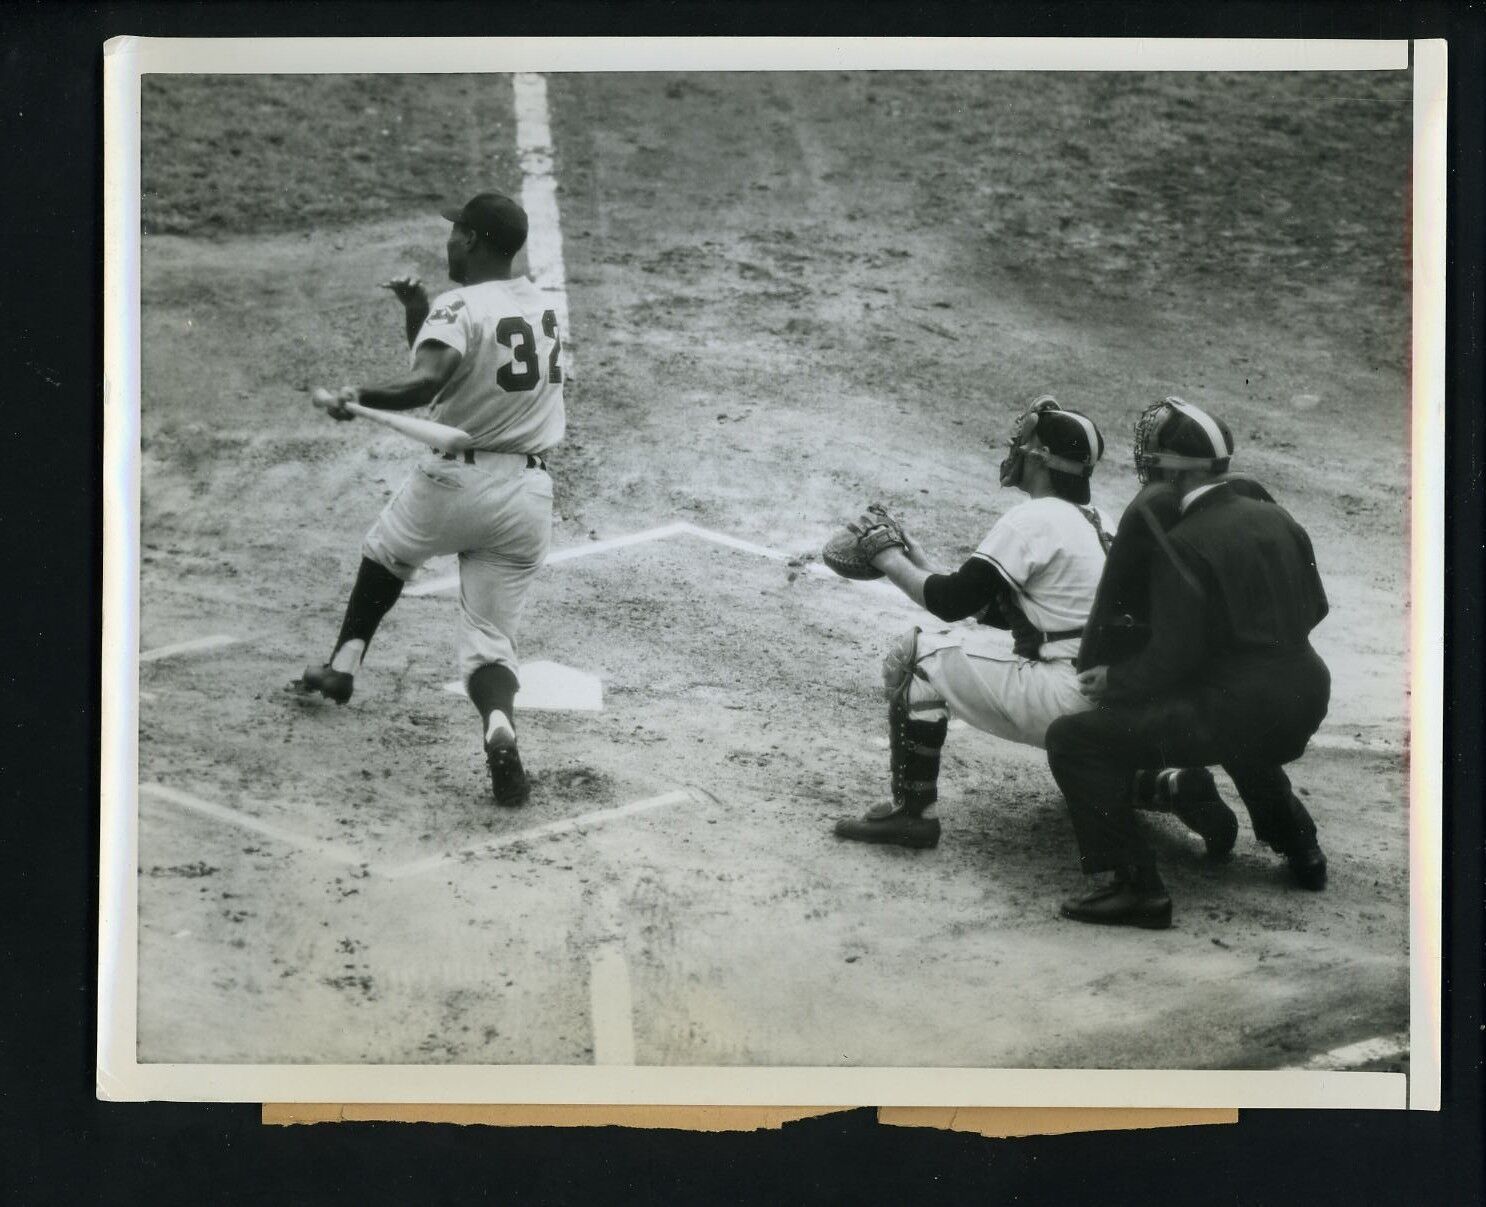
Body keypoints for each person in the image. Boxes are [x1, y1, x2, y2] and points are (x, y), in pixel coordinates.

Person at [295, 191, 564, 809]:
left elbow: (429, 382)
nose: (448, 241)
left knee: (386, 554)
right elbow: (459, 363)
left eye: (455, 232)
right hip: (527, 494)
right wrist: (418, 313)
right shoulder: (540, 306)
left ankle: (343, 666)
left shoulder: (461, 304)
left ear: (470, 240)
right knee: (491, 640)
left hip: (454, 483)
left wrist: (356, 394)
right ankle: (499, 725)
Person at [1046, 397, 1331, 930]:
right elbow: (1317, 607)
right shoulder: (1276, 515)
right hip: (1308, 692)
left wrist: (1116, 678)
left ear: (1174, 469)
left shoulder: (1184, 538)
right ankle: (1302, 849)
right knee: (1240, 722)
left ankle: (1137, 889)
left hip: (1239, 708)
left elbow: (1169, 659)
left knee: (1073, 739)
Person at [832, 396, 1117, 850]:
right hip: (1118, 697)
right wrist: (921, 565)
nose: (1016, 452)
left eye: (1025, 446)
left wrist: (887, 559)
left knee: (915, 656)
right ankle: (1166, 785)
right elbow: (1012, 612)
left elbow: (949, 602)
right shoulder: (1100, 522)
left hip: (1065, 697)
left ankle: (912, 814)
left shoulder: (1032, 518)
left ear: (1042, 460)